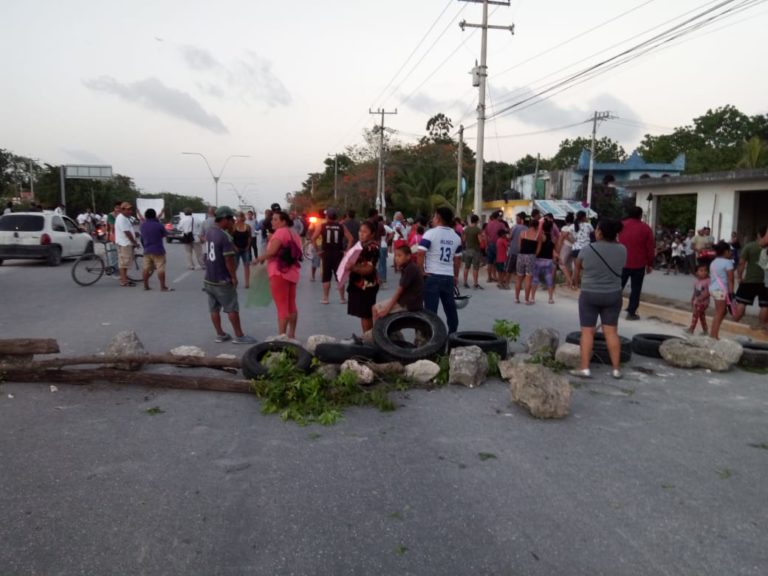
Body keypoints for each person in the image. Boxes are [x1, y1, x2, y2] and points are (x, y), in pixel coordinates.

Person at [570, 219, 627, 379]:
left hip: (589, 294)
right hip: (613, 294)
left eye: (596, 229)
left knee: (587, 332)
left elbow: (578, 268)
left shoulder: (587, 249)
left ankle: (585, 368)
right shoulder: (622, 249)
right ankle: (616, 370)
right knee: (611, 332)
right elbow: (621, 266)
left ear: (600, 233)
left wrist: (575, 282)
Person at [202, 206, 256, 344]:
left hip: (209, 279)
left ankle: (220, 334)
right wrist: (233, 277)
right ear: (224, 219)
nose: (233, 221)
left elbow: (206, 256)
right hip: (222, 279)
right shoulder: (224, 236)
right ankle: (239, 336)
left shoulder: (210, 232)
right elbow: (228, 259)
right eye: (231, 219)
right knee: (232, 307)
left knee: (214, 308)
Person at [416, 206, 463, 334]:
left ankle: (432, 337)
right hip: (448, 276)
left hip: (432, 276)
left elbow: (420, 253)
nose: (432, 219)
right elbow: (457, 259)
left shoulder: (430, 233)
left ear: (438, 217)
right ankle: (453, 335)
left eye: (434, 216)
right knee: (450, 309)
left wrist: (421, 271)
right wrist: (455, 276)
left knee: (431, 311)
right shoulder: (456, 237)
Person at [257, 211, 303, 339]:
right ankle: (291, 334)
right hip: (292, 272)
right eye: (272, 219)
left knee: (282, 307)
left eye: (275, 219)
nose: (272, 221)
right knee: (291, 304)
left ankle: (282, 337)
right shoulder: (294, 234)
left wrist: (259, 258)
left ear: (283, 221)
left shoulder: (280, 233)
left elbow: (272, 252)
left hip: (279, 272)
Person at [618, 206, 654, 321]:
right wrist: (650, 263)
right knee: (636, 289)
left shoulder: (621, 225)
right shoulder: (646, 228)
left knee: (617, 287)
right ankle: (631, 312)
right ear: (640, 215)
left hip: (622, 262)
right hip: (639, 263)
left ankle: (612, 308)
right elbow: (650, 248)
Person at [345, 220, 380, 335]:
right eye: (360, 231)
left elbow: (369, 269)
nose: (361, 234)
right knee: (363, 314)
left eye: (365, 232)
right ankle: (367, 337)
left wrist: (353, 268)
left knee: (366, 315)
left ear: (372, 234)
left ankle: (368, 338)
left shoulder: (372, 247)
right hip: (360, 284)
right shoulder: (362, 245)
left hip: (366, 286)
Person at [311, 207, 352, 304]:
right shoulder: (341, 226)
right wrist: (346, 251)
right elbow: (351, 238)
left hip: (326, 254)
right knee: (340, 276)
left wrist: (318, 251)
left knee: (326, 276)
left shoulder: (322, 226)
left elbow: (313, 238)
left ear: (327, 216)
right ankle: (342, 298)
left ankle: (325, 298)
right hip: (338, 253)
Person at [373, 244, 424, 321]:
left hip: (409, 303)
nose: (396, 258)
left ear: (408, 256)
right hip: (407, 300)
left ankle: (376, 329)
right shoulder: (408, 267)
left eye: (399, 256)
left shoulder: (410, 269)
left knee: (375, 309)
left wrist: (387, 309)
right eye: (395, 256)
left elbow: (399, 292)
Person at [732, 225, 768, 330]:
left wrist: (739, 277)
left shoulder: (750, 246)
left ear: (758, 235)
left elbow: (741, 263)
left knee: (742, 302)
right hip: (765, 282)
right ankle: (762, 325)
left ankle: (734, 323)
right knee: (765, 305)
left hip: (750, 279)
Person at [139, 208, 172, 291]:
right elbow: (164, 234)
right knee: (160, 268)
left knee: (146, 268)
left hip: (147, 250)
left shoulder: (142, 225)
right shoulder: (159, 225)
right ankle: (162, 287)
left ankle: (146, 286)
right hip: (158, 250)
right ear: (154, 215)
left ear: (146, 216)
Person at [708, 240, 735, 340]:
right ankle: (713, 335)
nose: (731, 253)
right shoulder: (728, 263)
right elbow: (731, 279)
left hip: (713, 289)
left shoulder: (713, 262)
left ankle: (714, 334)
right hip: (721, 290)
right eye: (729, 251)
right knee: (719, 312)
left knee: (722, 312)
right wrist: (732, 294)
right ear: (726, 251)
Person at [531, 219, 557, 304]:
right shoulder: (553, 239)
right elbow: (554, 250)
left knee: (535, 279)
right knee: (549, 280)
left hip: (539, 260)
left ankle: (532, 298)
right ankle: (550, 298)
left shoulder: (541, 237)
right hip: (549, 261)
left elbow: (536, 247)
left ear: (542, 227)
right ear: (551, 228)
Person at [114, 202, 140, 287]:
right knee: (124, 263)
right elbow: (127, 232)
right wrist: (134, 242)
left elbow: (128, 230)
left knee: (125, 263)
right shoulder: (121, 218)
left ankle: (124, 278)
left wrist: (134, 234)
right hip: (124, 243)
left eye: (130, 209)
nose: (130, 211)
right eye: (128, 209)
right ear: (122, 210)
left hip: (126, 243)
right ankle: (123, 281)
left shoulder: (125, 218)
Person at [515, 216, 539, 305]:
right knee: (528, 279)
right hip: (531, 256)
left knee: (519, 278)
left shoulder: (522, 233)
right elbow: (538, 250)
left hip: (521, 256)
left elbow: (519, 246)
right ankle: (526, 300)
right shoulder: (538, 235)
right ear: (537, 226)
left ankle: (516, 298)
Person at [686, 263, 710, 335]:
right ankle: (705, 330)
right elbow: (695, 292)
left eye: (705, 270)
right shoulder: (696, 282)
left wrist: (702, 298)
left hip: (704, 303)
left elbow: (710, 292)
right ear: (696, 273)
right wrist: (692, 298)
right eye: (701, 271)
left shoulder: (708, 281)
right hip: (697, 302)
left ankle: (691, 329)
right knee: (701, 316)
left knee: (695, 314)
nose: (704, 272)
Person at [231, 211, 253, 289]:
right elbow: (231, 239)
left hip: (245, 249)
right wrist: (234, 247)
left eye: (240, 216)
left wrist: (248, 246)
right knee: (235, 266)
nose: (238, 218)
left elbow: (249, 237)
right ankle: (233, 280)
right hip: (236, 249)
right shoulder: (233, 227)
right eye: (237, 216)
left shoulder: (247, 227)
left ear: (243, 217)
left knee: (247, 265)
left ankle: (247, 283)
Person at [461, 214, 483, 289]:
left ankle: (465, 282)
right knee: (475, 267)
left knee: (466, 267)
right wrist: (482, 238)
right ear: (477, 221)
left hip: (468, 249)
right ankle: (475, 283)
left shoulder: (466, 229)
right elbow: (480, 240)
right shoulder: (478, 229)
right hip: (475, 250)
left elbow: (464, 239)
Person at [484, 211, 505, 283]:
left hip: (490, 244)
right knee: (498, 262)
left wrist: (486, 245)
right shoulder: (501, 225)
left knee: (489, 262)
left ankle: (489, 277)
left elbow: (486, 235)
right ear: (498, 217)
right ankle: (499, 279)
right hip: (498, 245)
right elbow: (504, 234)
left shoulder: (488, 224)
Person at [556, 212, 575, 288]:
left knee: (561, 264)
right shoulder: (575, 227)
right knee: (569, 264)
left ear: (565, 220)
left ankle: (569, 281)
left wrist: (558, 249)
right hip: (574, 247)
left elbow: (562, 238)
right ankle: (568, 282)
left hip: (566, 247)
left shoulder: (564, 228)